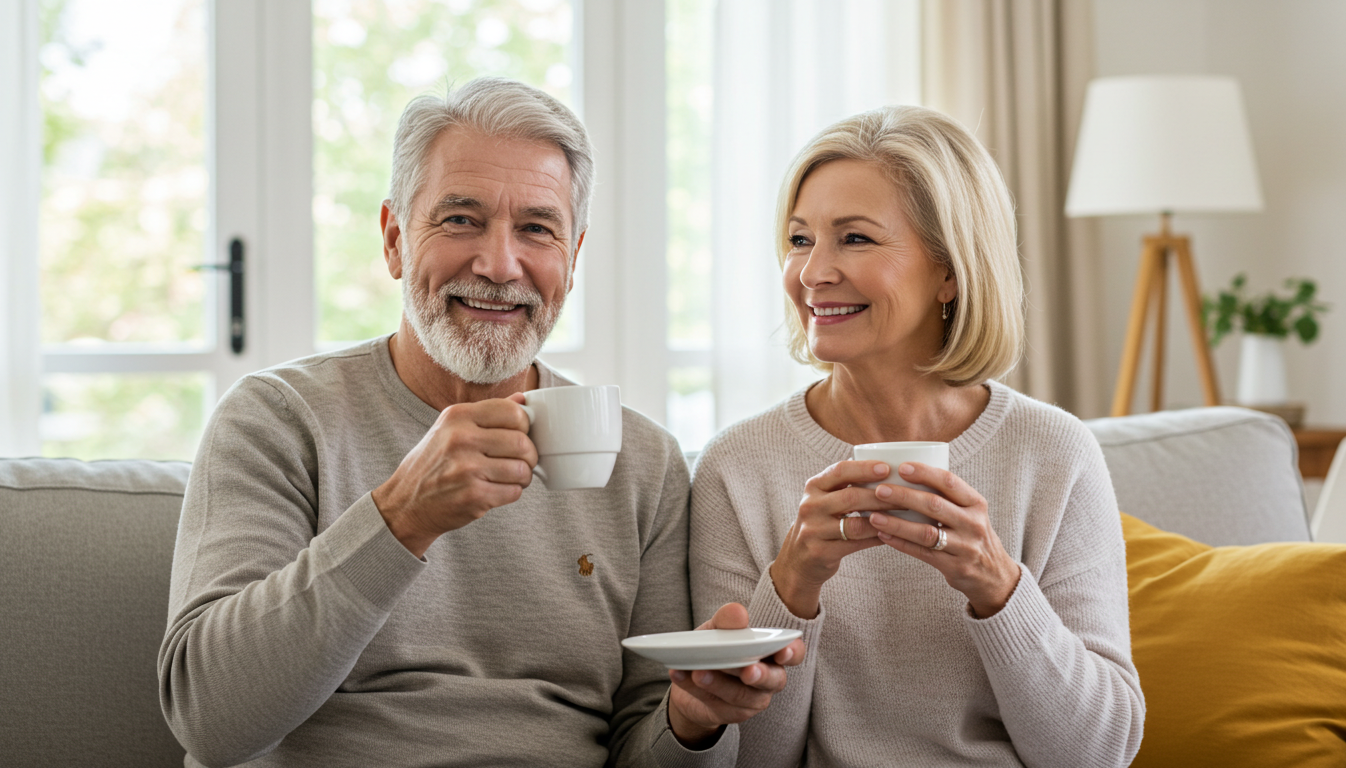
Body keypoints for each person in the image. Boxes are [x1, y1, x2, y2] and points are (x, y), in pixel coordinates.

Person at [159, 77, 801, 768]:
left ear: (574, 259)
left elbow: (648, 746)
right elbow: (208, 719)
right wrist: (400, 517)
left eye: (536, 229)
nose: (499, 264)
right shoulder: (278, 420)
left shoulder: (643, 462)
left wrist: (693, 722)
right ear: (395, 239)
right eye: (460, 220)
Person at [687, 105, 1145, 767]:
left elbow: (1098, 754)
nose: (813, 272)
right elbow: (749, 758)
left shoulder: (1052, 453)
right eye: (799, 239)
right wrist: (791, 587)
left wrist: (998, 587)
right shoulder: (737, 467)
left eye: (856, 239)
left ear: (950, 270)